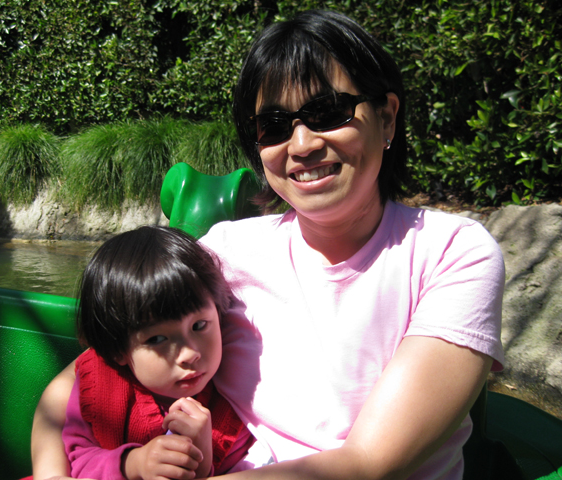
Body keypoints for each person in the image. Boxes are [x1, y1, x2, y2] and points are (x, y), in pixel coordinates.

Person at [31, 9, 505, 480]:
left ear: (386, 118)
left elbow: (367, 464)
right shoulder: (226, 253)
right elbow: (79, 381)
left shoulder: (452, 254)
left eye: (327, 112)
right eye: (275, 126)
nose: (301, 144)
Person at [60, 226, 255, 479]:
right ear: (118, 349)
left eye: (199, 325)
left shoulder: (235, 399)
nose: (189, 353)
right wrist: (134, 464)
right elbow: (78, 460)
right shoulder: (99, 385)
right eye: (158, 339)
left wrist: (202, 458)